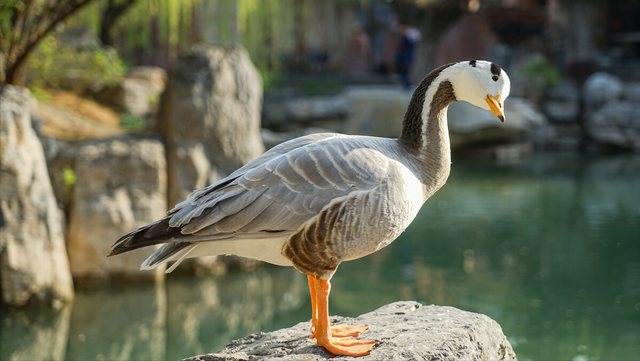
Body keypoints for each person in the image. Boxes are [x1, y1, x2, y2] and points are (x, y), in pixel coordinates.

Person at [395, 25, 421, 89]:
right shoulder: (409, 41)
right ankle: (407, 84)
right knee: (404, 73)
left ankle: (408, 84)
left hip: (405, 59)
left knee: (405, 73)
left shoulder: (407, 40)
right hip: (405, 59)